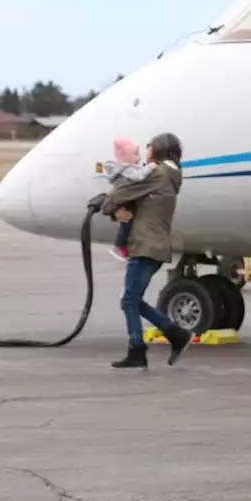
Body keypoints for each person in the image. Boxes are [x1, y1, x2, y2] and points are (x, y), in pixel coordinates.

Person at [99, 132, 194, 370]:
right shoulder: (169, 175)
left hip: (146, 246)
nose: (147, 150)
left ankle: (141, 348)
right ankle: (172, 336)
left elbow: (121, 193)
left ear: (159, 149)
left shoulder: (158, 174)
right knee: (131, 300)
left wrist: (106, 206)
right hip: (152, 245)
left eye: (149, 146)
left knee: (129, 301)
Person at [101, 137, 153, 262]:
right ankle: (118, 247)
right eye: (136, 154)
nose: (138, 158)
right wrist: (150, 167)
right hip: (127, 201)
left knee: (127, 224)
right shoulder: (127, 169)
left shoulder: (121, 169)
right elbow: (139, 176)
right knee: (127, 224)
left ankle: (123, 248)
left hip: (125, 201)